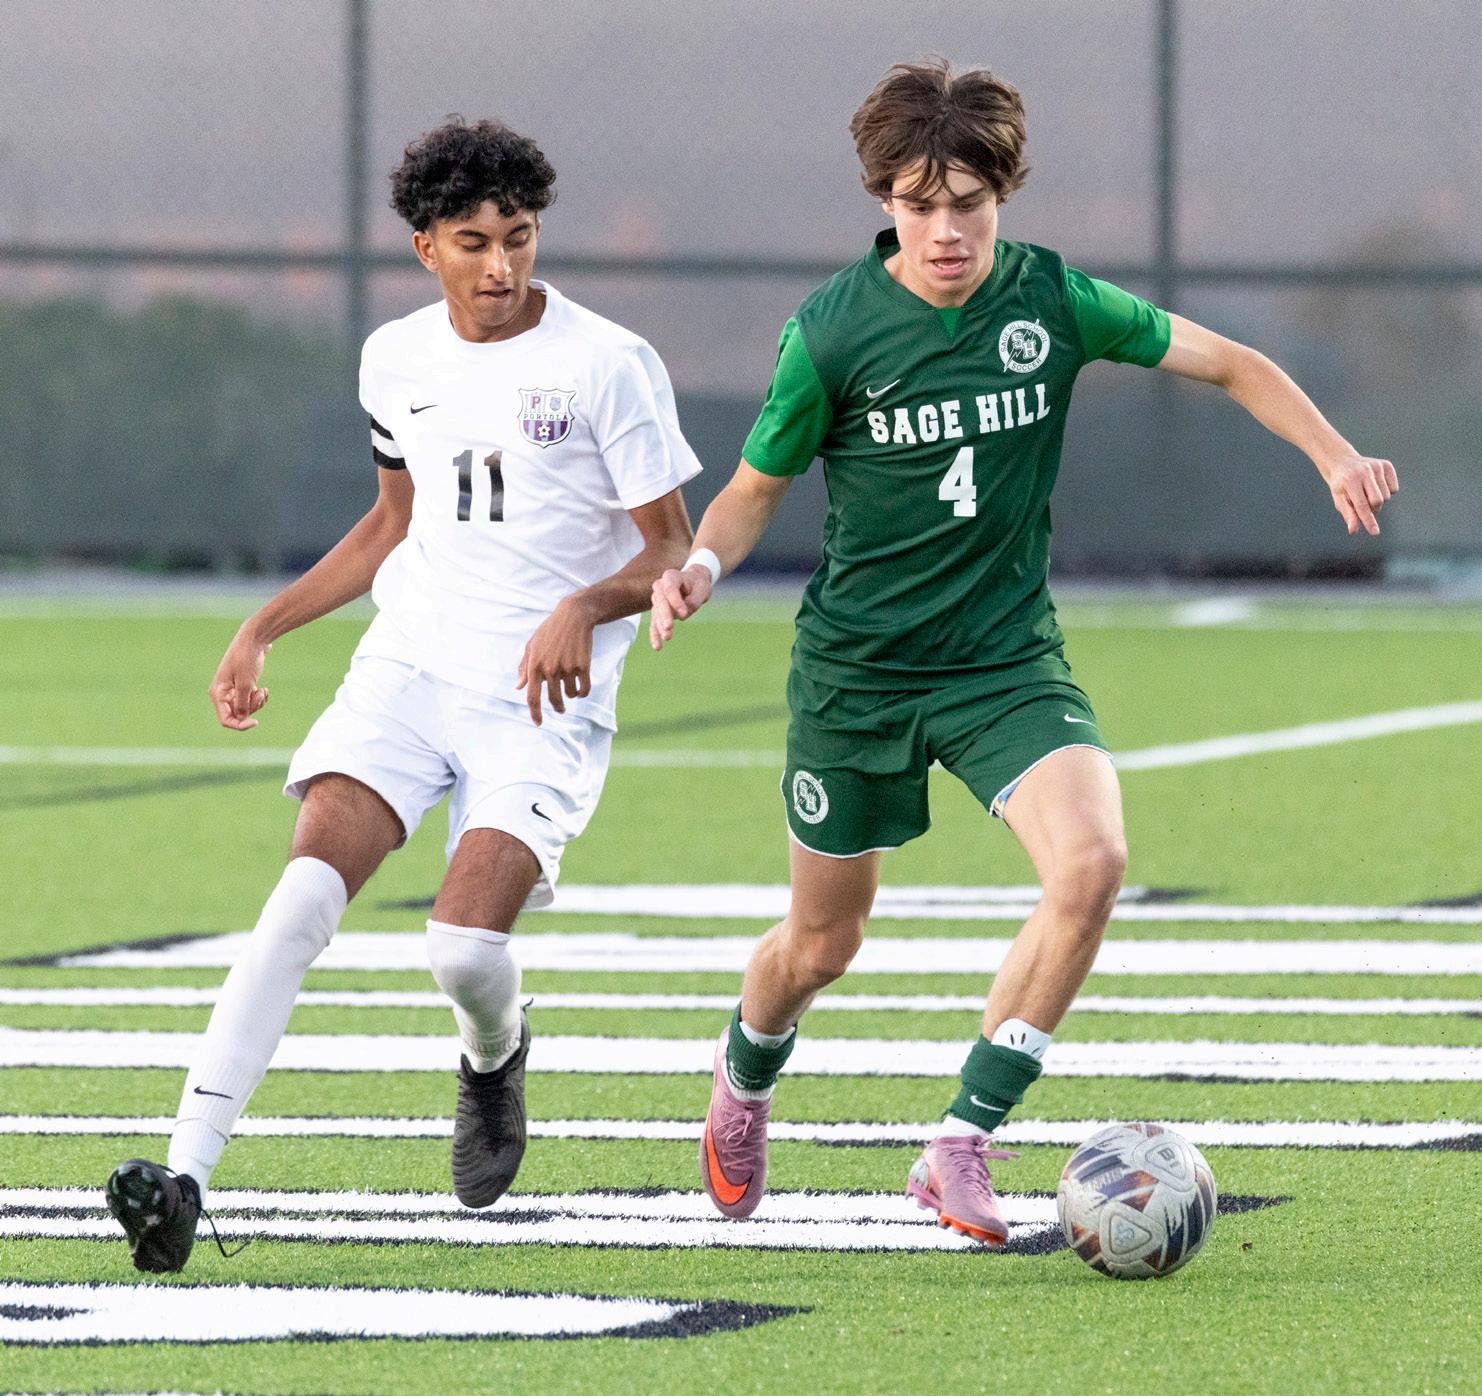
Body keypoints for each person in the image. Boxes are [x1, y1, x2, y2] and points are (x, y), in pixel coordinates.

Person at [650, 59, 1396, 1245]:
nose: (946, 231)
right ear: (885, 200)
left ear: (1003, 195)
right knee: (824, 944)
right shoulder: (832, 332)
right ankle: (745, 1074)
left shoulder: (1052, 299)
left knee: (1092, 863)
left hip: (1003, 662)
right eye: (919, 205)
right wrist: (699, 564)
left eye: (969, 205)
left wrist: (1334, 452)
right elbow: (751, 491)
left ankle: (961, 1141)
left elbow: (1235, 364)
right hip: (858, 676)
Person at [106, 117, 701, 1273]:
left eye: (519, 236)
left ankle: (494, 1053)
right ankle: (184, 1177)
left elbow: (672, 550)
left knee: (462, 952)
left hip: (538, 702)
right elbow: (393, 522)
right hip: (411, 669)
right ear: (426, 247)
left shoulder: (607, 363)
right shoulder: (395, 358)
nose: (501, 264)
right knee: (297, 902)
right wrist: (262, 626)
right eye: (473, 241)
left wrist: (585, 606)